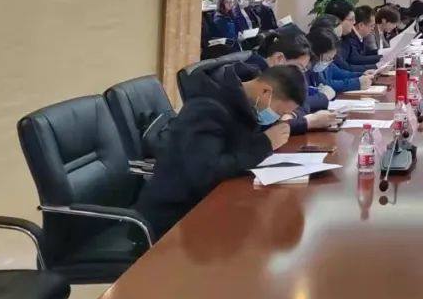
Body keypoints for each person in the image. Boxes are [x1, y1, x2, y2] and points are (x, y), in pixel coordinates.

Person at [136, 65, 303, 240]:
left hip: (206, 205)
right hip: (174, 217)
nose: (278, 117)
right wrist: (264, 144)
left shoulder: (244, 105)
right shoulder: (208, 108)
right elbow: (205, 172)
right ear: (265, 92)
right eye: (279, 112)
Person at [252, 32, 336, 133]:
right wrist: (308, 122)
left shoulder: (277, 78)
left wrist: (291, 115)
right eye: (297, 68)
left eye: (302, 70)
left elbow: (302, 103)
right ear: (279, 58)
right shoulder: (253, 76)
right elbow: (263, 129)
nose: (299, 75)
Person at [306, 26, 372, 94]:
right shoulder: (310, 69)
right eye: (328, 58)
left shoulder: (326, 62)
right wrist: (357, 83)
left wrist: (362, 74)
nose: (330, 62)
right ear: (317, 54)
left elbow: (341, 73)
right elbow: (326, 85)